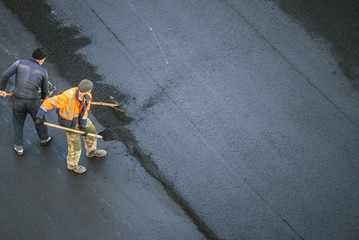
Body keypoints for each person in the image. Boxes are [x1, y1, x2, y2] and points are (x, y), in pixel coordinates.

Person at [36, 79, 107, 173]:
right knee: (75, 144)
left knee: (91, 130)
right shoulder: (67, 96)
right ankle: (72, 165)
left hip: (80, 117)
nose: (91, 91)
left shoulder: (88, 96)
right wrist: (39, 116)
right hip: (68, 123)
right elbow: (48, 102)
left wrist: (83, 125)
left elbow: (85, 112)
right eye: (90, 90)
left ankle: (91, 151)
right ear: (87, 90)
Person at [0, 48, 52, 156]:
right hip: (34, 102)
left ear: (32, 56)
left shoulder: (19, 63)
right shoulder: (43, 71)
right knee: (39, 120)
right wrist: (42, 98)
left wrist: (2, 89)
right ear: (42, 59)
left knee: (18, 123)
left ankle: (18, 147)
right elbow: (45, 89)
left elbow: (5, 75)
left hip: (18, 100)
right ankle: (44, 139)